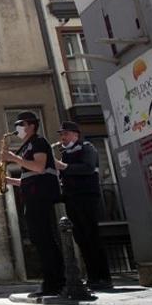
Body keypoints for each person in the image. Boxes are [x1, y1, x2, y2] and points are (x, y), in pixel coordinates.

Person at [2, 111, 65, 297]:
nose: (17, 129)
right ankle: (52, 281)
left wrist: (13, 158)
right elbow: (28, 178)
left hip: (41, 196)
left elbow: (39, 167)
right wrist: (7, 180)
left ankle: (55, 283)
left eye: (19, 125)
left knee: (45, 238)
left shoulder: (38, 142)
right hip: (32, 195)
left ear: (30, 125)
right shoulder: (28, 145)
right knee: (39, 238)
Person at [55, 121, 113, 291]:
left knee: (92, 236)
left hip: (87, 197)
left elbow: (88, 168)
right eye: (61, 135)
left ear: (75, 134)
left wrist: (63, 166)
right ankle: (93, 277)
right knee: (81, 238)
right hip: (72, 198)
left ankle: (103, 277)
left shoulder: (87, 147)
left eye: (65, 134)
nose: (62, 138)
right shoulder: (66, 153)